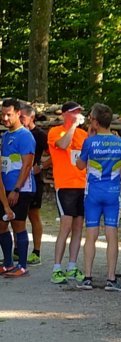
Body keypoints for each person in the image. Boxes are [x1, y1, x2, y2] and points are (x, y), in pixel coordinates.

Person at [75, 102, 121, 291]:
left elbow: (80, 165)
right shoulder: (120, 143)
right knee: (111, 234)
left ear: (95, 122)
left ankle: (87, 278)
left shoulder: (89, 142)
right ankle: (111, 279)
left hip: (92, 193)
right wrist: (114, 170)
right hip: (112, 194)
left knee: (91, 234)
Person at [48, 100, 88, 284]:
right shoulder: (55, 131)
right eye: (73, 112)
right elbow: (64, 145)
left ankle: (72, 266)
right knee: (65, 226)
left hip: (82, 186)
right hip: (65, 186)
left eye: (78, 112)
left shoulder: (83, 135)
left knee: (78, 227)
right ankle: (57, 268)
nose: (77, 115)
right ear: (64, 114)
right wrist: (72, 126)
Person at [0, 97, 36, 277]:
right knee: (2, 225)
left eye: (9, 114)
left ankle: (22, 266)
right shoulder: (5, 136)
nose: (5, 118)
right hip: (4, 189)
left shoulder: (25, 136)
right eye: (2, 114)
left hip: (21, 189)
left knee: (18, 225)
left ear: (18, 113)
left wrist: (16, 189)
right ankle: (7, 263)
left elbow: (27, 165)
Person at [18, 104, 48, 266]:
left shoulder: (40, 135)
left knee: (33, 214)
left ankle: (36, 252)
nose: (20, 120)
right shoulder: (16, 133)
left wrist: (41, 166)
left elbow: (54, 155)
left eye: (22, 117)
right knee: (17, 215)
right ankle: (17, 250)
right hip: (17, 179)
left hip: (34, 181)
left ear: (32, 118)